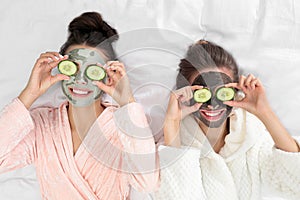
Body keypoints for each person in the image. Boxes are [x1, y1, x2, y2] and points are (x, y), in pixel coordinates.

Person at [0, 12, 159, 199]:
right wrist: (30, 94)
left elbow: (148, 183)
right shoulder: (41, 124)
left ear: (108, 73)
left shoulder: (124, 125)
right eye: (73, 67)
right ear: (60, 68)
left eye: (93, 70)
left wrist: (128, 102)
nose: (81, 80)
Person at [155, 40, 300, 200]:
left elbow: (295, 182)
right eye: (203, 94)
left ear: (234, 91)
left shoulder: (253, 137)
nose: (212, 105)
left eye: (222, 92)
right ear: (187, 95)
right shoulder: (173, 145)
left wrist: (264, 112)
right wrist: (171, 122)